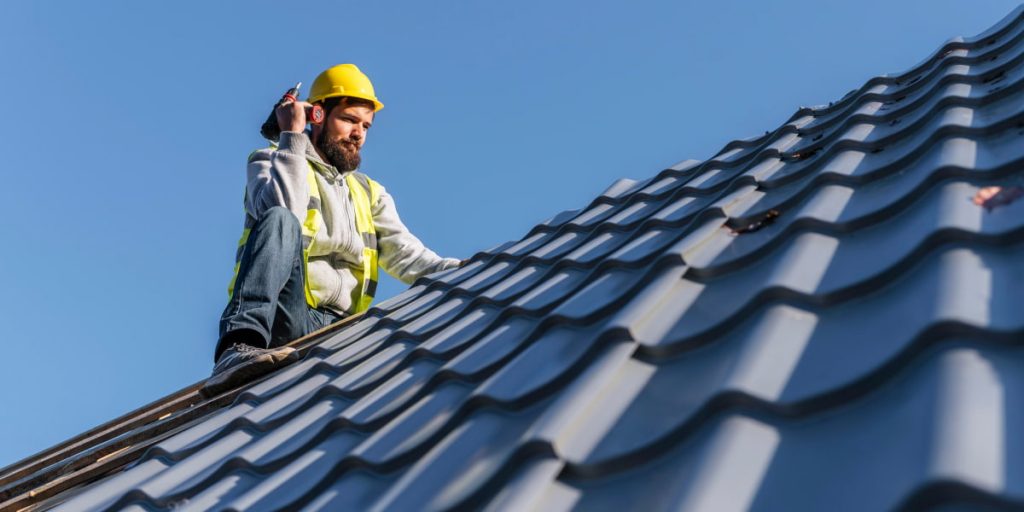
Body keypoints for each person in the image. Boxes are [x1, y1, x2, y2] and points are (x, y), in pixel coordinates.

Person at [203, 64, 461, 397]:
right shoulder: (269, 161)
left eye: (366, 125)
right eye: (350, 120)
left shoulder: (370, 193)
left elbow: (408, 256)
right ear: (317, 115)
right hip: (290, 318)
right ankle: (238, 347)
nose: (359, 134)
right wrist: (292, 138)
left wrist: (470, 270)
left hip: (347, 331)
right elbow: (283, 211)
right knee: (280, 219)